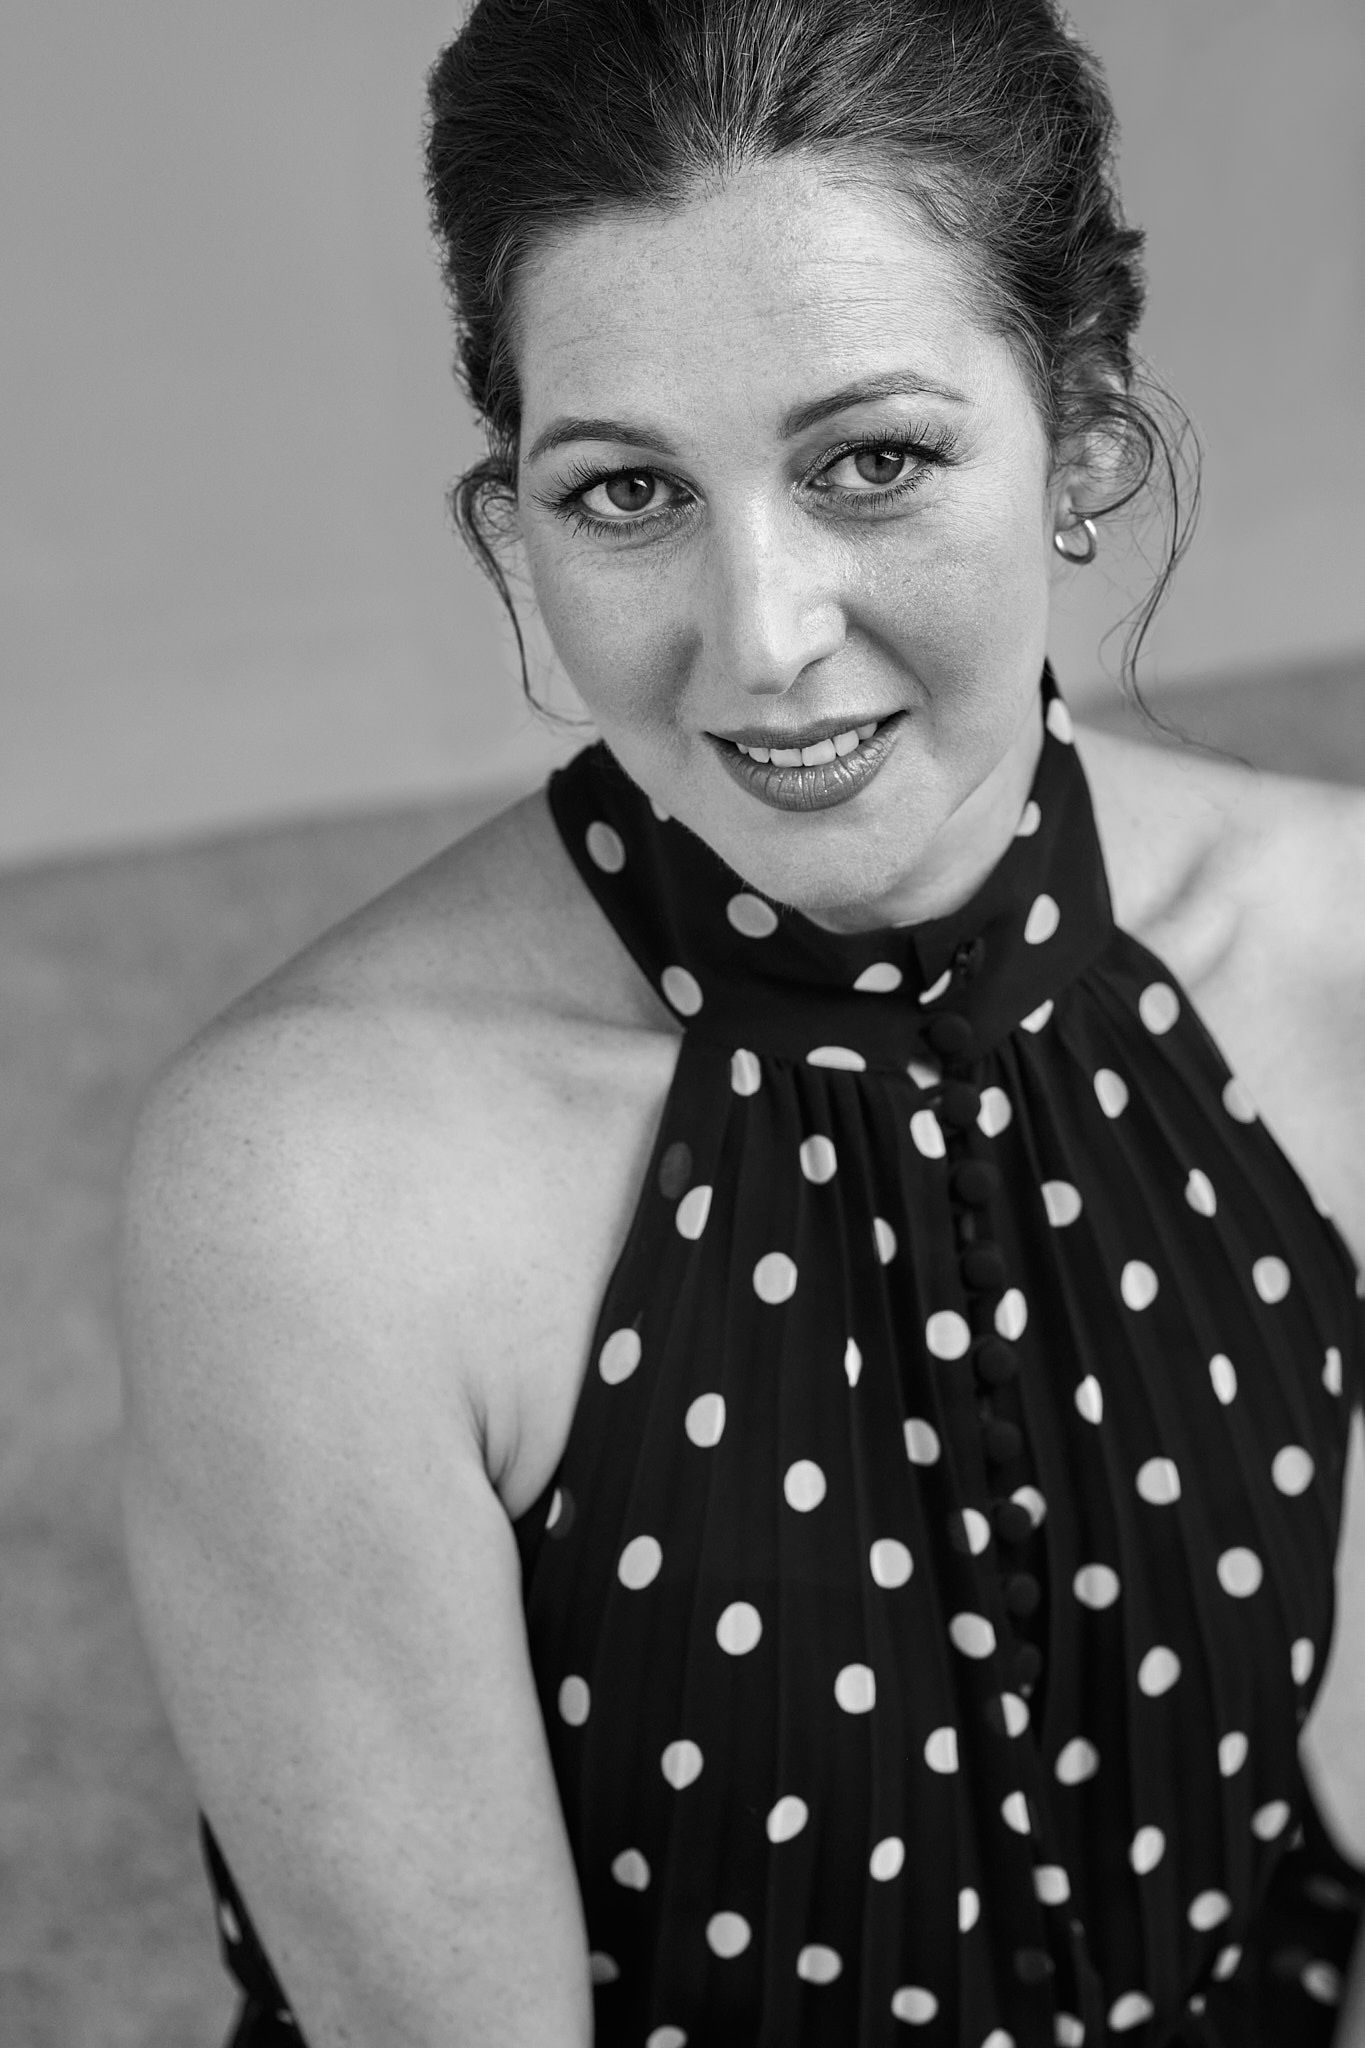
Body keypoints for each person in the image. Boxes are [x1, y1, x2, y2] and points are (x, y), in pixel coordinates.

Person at [115, 1, 1365, 2042]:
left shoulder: (1334, 946)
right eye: (627, 492)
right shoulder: (307, 1188)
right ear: (513, 523)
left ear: (1078, 435)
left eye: (871, 461)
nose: (763, 639)